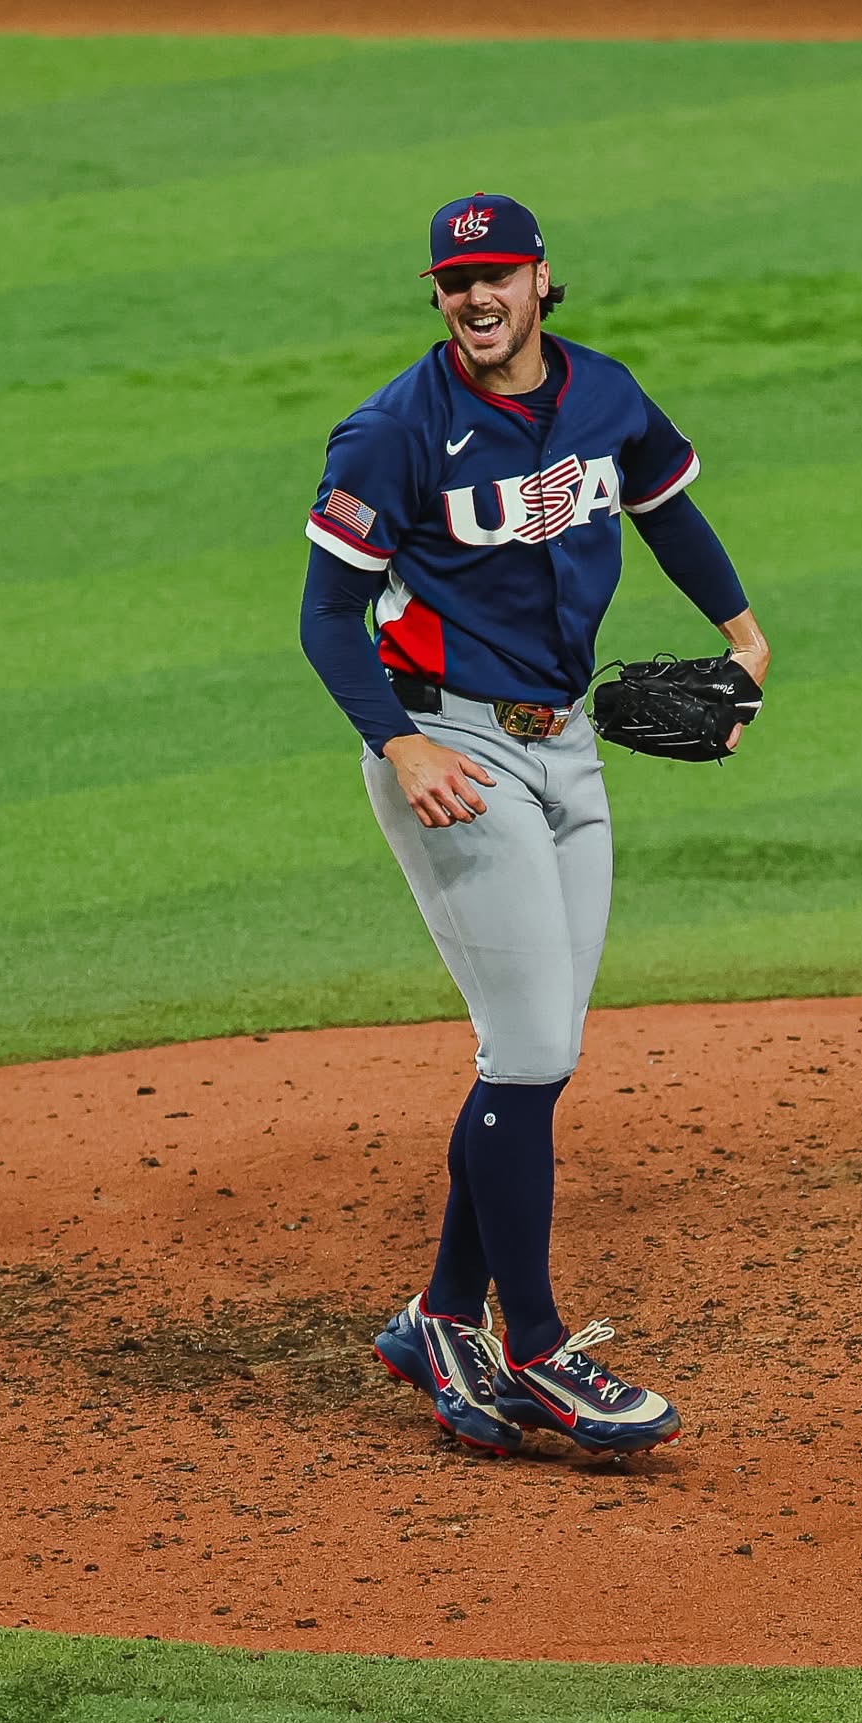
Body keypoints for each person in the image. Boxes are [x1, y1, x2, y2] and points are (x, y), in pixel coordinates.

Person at [299, 192, 770, 1457]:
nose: (479, 297)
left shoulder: (604, 393)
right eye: (457, 281)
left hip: (569, 746)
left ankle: (442, 1315)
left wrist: (743, 634)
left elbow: (666, 505)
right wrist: (398, 745)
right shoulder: (395, 431)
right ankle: (538, 1349)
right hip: (451, 750)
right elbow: (327, 617)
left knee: (540, 1051)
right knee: (527, 1050)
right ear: (437, 294)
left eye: (499, 274)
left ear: (542, 279)